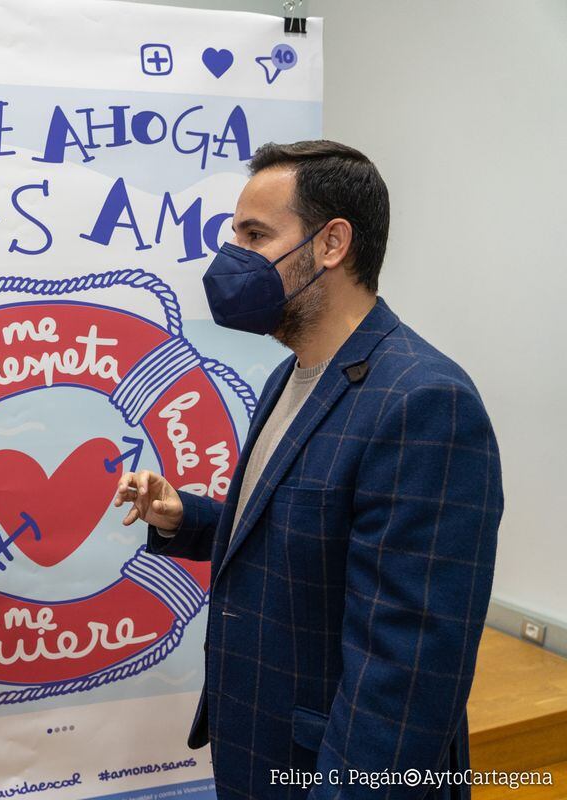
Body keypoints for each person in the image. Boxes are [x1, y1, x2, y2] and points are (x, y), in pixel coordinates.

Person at [115, 141, 502, 799]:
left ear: (332, 244)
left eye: (255, 235)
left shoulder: (425, 402)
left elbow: (404, 681)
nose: (231, 258)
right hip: (257, 755)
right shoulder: (289, 378)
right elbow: (300, 534)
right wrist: (188, 516)